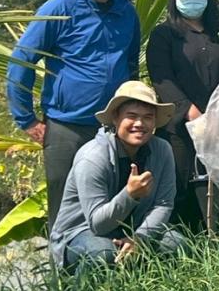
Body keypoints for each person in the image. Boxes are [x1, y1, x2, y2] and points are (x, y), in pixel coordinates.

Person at [7, 0, 141, 232]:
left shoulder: (127, 12)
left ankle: (109, 270)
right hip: (67, 127)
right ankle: (64, 275)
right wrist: (26, 120)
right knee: (65, 208)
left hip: (111, 128)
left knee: (112, 203)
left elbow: (131, 65)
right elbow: (21, 62)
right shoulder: (59, 8)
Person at [48, 81, 184, 277]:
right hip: (83, 232)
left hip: (134, 228)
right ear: (115, 118)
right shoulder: (92, 157)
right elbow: (98, 224)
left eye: (148, 117)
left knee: (177, 244)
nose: (140, 124)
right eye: (132, 116)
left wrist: (139, 238)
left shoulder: (162, 150)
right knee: (103, 253)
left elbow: (163, 204)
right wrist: (130, 195)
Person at [146, 0, 219, 230]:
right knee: (181, 188)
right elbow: (161, 77)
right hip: (181, 130)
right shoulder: (165, 35)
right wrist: (189, 111)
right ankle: (183, 250)